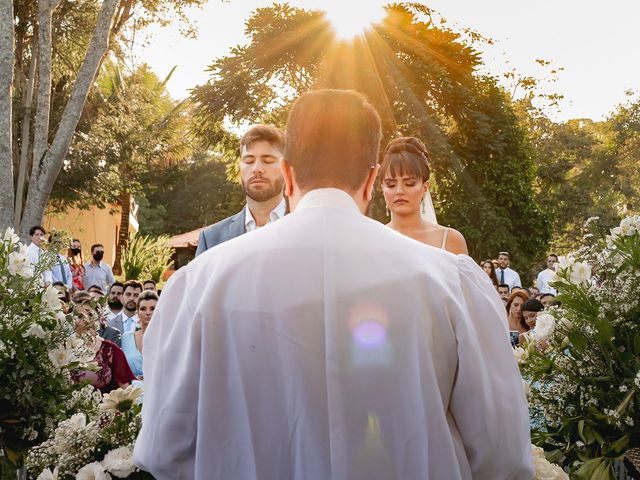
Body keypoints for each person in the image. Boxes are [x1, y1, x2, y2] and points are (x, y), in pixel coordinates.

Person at [134, 89, 533, 480]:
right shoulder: (449, 281)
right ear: (372, 180)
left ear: (287, 175)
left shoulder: (203, 283)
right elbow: (503, 457)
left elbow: (163, 451)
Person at [195, 125, 287, 256]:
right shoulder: (211, 239)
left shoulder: (309, 230)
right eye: (249, 161)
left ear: (286, 167)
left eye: (268, 160)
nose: (256, 169)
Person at [380, 137, 468, 254]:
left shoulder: (450, 240)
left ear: (425, 187)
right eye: (391, 185)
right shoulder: (372, 240)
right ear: (382, 188)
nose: (399, 191)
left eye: (409, 184)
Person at [70, 291, 135, 393]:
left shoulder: (111, 350)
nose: (86, 319)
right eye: (80, 316)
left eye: (90, 314)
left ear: (98, 319)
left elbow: (125, 389)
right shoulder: (64, 347)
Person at [122, 290, 158, 379]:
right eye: (143, 309)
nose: (148, 312)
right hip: (133, 390)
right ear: (137, 312)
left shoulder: (167, 338)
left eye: (153, 308)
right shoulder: (126, 338)